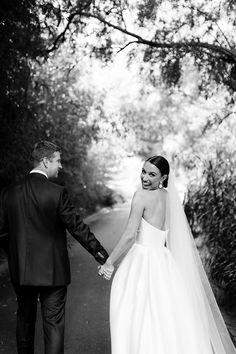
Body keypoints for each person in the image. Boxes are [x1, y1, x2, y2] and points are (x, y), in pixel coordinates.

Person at [99, 155, 236, 354]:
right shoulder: (169, 197)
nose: (145, 178)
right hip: (164, 260)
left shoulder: (141, 196)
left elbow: (130, 235)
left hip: (142, 260)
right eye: (143, 171)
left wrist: (109, 262)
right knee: (168, 317)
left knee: (134, 314)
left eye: (152, 174)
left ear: (163, 177)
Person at [0, 141, 109, 354]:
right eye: (58, 161)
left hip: (21, 271)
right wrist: (102, 255)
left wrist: (15, 254)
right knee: (53, 325)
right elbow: (77, 227)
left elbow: (1, 233)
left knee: (25, 320)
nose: (60, 166)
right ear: (45, 161)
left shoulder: (8, 193)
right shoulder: (57, 192)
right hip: (53, 273)